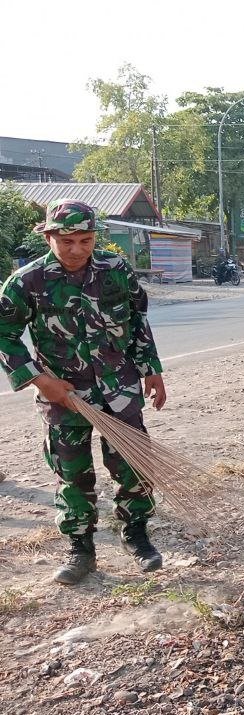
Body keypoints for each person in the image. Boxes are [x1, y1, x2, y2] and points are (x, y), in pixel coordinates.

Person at [0, 200, 168, 584]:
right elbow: (4, 335)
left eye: (86, 240)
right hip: (64, 396)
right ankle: (80, 548)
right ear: (48, 236)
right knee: (72, 473)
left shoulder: (115, 270)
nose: (77, 249)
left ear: (96, 238)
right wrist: (42, 381)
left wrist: (151, 369)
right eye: (67, 241)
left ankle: (136, 534)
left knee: (134, 464)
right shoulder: (28, 281)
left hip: (119, 389)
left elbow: (138, 318)